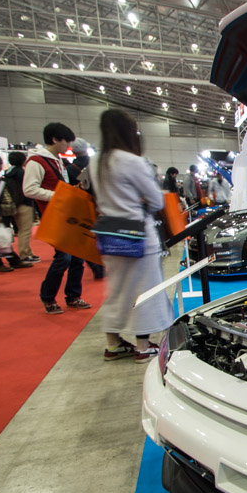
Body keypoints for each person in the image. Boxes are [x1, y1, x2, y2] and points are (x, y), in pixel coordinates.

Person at [90, 109, 173, 363]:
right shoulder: (133, 161)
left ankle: (113, 344)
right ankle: (143, 346)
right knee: (144, 290)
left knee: (115, 290)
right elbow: (156, 200)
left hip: (108, 234)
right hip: (138, 235)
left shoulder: (95, 161)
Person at [23, 122, 90, 315]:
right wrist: (59, 195)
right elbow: (29, 189)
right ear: (54, 139)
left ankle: (73, 296)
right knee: (63, 258)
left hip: (67, 215)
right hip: (54, 216)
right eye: (66, 142)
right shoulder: (37, 161)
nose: (68, 146)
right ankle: (48, 297)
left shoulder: (57, 161)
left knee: (77, 257)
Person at [65, 139, 105, 281]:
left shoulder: (69, 169)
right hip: (100, 205)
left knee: (84, 237)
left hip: (80, 205)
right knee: (101, 236)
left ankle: (94, 264)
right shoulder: (97, 164)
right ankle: (102, 263)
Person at [4, 151, 38, 262]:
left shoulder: (8, 173)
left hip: (15, 204)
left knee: (22, 230)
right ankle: (24, 254)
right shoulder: (21, 173)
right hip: (24, 203)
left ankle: (28, 252)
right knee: (25, 231)